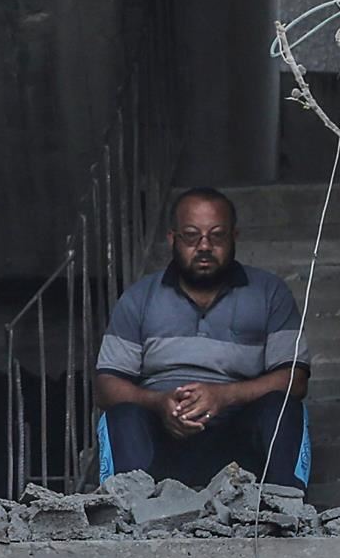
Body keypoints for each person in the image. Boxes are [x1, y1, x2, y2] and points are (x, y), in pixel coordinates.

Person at [94, 187, 313, 490]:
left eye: (217, 235)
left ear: (234, 236)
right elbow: (106, 387)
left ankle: (284, 510)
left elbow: (295, 380)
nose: (205, 246)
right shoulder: (139, 298)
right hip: (162, 438)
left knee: (284, 406)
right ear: (173, 238)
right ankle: (127, 515)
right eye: (191, 235)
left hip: (238, 441)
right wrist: (159, 403)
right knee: (122, 415)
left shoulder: (268, 293)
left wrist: (224, 396)